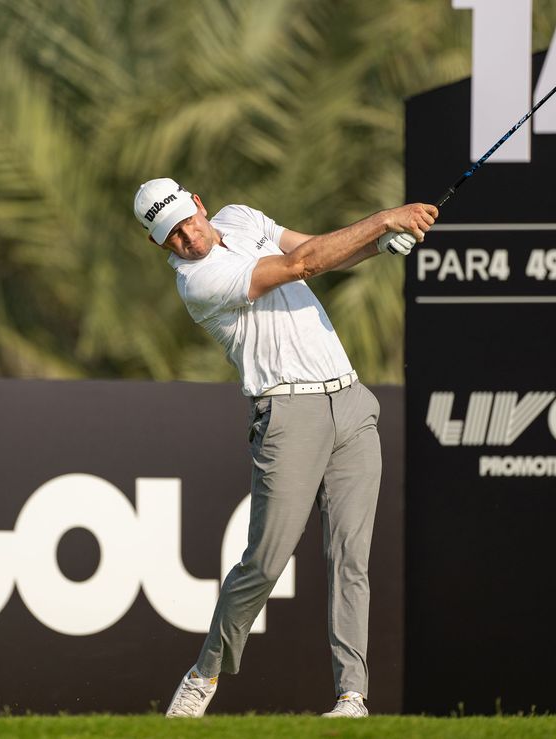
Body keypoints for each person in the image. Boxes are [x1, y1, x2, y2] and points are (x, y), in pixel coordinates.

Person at [132, 178, 436, 718]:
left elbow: (312, 247)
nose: (187, 237)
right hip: (285, 415)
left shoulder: (242, 219)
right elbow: (303, 267)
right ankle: (205, 673)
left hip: (349, 400)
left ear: (199, 202)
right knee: (265, 563)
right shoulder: (199, 282)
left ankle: (352, 696)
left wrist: (376, 247)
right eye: (172, 235)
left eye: (187, 220)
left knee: (350, 557)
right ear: (159, 245)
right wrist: (385, 218)